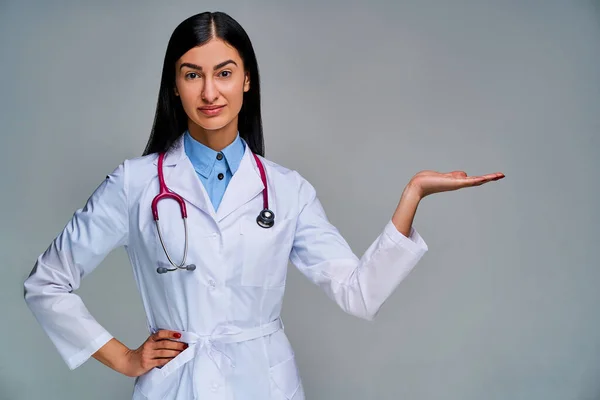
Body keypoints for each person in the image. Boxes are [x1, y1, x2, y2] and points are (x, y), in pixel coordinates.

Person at [23, 10, 504, 400]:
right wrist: (124, 358)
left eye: (224, 73)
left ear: (247, 80)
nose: (210, 92)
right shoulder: (135, 184)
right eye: (193, 75)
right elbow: (47, 284)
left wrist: (412, 196)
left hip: (265, 385)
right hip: (175, 386)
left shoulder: (288, 191)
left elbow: (359, 294)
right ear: (174, 85)